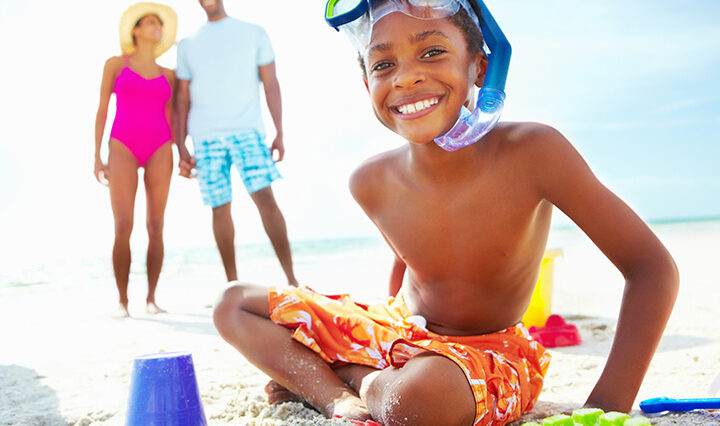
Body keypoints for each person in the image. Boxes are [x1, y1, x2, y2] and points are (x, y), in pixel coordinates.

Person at [212, 1, 679, 425]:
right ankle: (337, 396)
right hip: (396, 333)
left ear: (481, 66)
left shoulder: (534, 152)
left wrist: (607, 407)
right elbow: (411, 264)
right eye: (383, 64)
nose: (406, 77)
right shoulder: (370, 181)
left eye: (431, 52)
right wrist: (384, 343)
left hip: (487, 352)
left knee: (421, 400)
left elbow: (651, 269)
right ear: (366, 83)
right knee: (233, 304)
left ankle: (357, 377)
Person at [175, 0, 299, 286]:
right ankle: (233, 284)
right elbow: (181, 97)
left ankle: (292, 280)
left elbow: (271, 83)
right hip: (204, 137)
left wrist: (279, 131)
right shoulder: (187, 44)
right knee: (219, 206)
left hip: (247, 131)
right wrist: (180, 145)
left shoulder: (254, 32)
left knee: (266, 199)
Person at [94, 2, 178, 317]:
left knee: (156, 225)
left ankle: (152, 299)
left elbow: (173, 117)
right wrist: (97, 155)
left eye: (160, 23)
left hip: (160, 146)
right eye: (151, 22)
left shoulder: (170, 75)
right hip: (122, 146)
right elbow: (102, 109)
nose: (158, 27)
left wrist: (180, 154)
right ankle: (122, 301)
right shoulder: (115, 64)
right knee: (123, 225)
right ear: (136, 29)